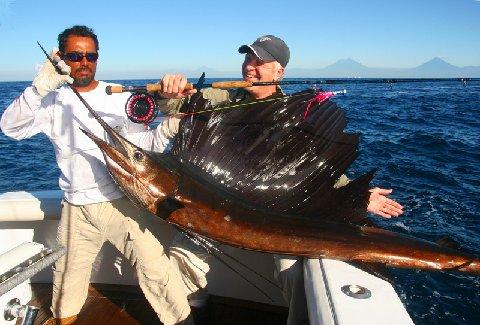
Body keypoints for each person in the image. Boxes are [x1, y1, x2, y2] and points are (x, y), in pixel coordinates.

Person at [161, 35, 404, 324]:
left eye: (259, 61)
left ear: (279, 72)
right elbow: (173, 107)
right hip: (216, 205)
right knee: (178, 257)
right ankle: (195, 308)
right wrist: (167, 94)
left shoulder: (296, 116)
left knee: (294, 271)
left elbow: (317, 166)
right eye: (247, 59)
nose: (250, 67)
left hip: (270, 212)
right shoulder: (221, 99)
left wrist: (356, 195)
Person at [0, 25, 196, 325]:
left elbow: (145, 148)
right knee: (66, 283)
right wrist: (39, 87)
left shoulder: (118, 96)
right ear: (60, 59)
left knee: (156, 270)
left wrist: (171, 122)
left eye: (91, 56)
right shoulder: (50, 101)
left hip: (122, 203)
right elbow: (11, 128)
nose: (84, 62)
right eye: (75, 55)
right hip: (75, 209)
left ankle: (182, 321)